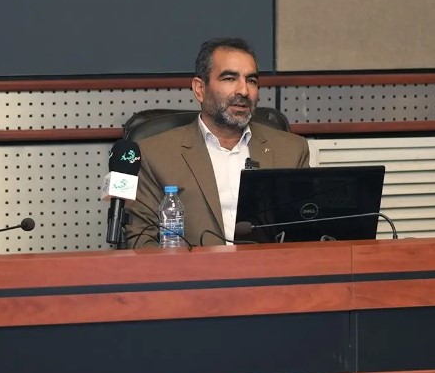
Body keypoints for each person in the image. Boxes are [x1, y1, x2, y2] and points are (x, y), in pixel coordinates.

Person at [127, 37, 310, 247]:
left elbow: (308, 232)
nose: (244, 91)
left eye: (251, 80)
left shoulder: (292, 150)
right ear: (200, 89)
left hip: (270, 266)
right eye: (230, 78)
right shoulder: (154, 155)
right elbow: (141, 242)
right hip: (193, 268)